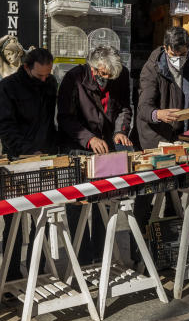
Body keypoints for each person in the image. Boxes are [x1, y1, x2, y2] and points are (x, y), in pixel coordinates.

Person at [133, 27, 189, 268]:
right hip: (153, 136)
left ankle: (168, 245)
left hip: (178, 135)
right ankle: (140, 250)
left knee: (173, 190)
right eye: (175, 53)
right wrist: (158, 114)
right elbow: (143, 109)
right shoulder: (151, 69)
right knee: (147, 193)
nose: (180, 58)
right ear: (166, 49)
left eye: (184, 53)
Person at [57, 45, 133, 264]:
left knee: (105, 200)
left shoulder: (121, 75)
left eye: (111, 75)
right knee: (78, 205)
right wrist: (89, 138)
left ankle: (102, 254)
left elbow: (124, 109)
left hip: (107, 144)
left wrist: (120, 131)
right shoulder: (74, 78)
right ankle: (81, 259)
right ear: (94, 67)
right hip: (78, 145)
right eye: (103, 74)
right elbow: (65, 118)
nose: (106, 78)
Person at [0, 48, 57, 281]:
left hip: (45, 158)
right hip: (16, 160)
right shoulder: (7, 87)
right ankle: (10, 276)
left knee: (43, 221)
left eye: (47, 74)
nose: (44, 79)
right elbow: (5, 126)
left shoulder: (51, 83)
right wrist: (28, 151)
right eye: (39, 75)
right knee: (13, 224)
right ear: (26, 68)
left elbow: (51, 121)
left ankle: (36, 272)